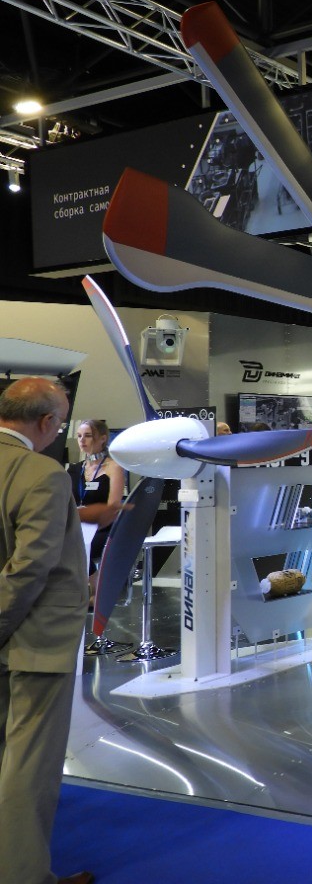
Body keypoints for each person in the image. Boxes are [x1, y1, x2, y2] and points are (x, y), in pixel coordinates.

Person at [0, 378, 95, 884]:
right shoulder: (43, 474)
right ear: (46, 422)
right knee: (29, 766)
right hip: (33, 641)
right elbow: (29, 569)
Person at [68, 419, 125, 587]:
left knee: (74, 545)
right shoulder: (74, 469)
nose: (82, 440)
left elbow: (113, 507)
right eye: (79, 436)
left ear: (102, 439)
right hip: (77, 524)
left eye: (88, 436)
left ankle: (95, 589)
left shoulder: (113, 467)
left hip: (102, 526)